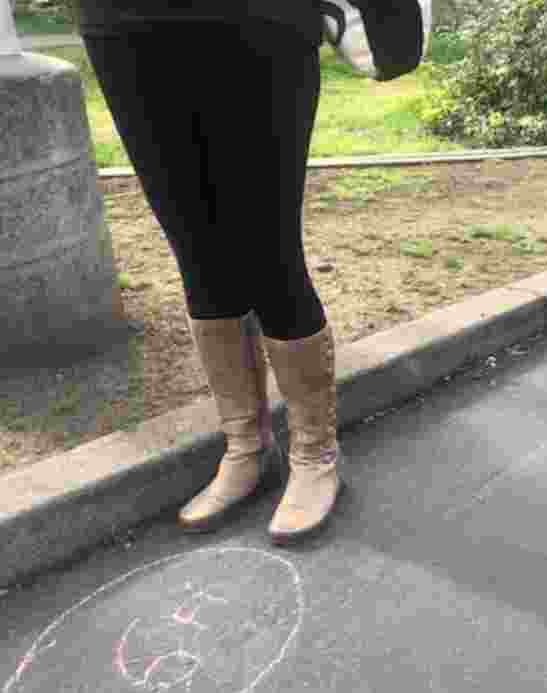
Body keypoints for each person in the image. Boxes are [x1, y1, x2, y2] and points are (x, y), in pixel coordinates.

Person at [73, 1, 422, 543]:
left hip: (255, 18)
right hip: (123, 23)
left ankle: (314, 455)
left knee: (269, 253)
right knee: (198, 254)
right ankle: (245, 447)